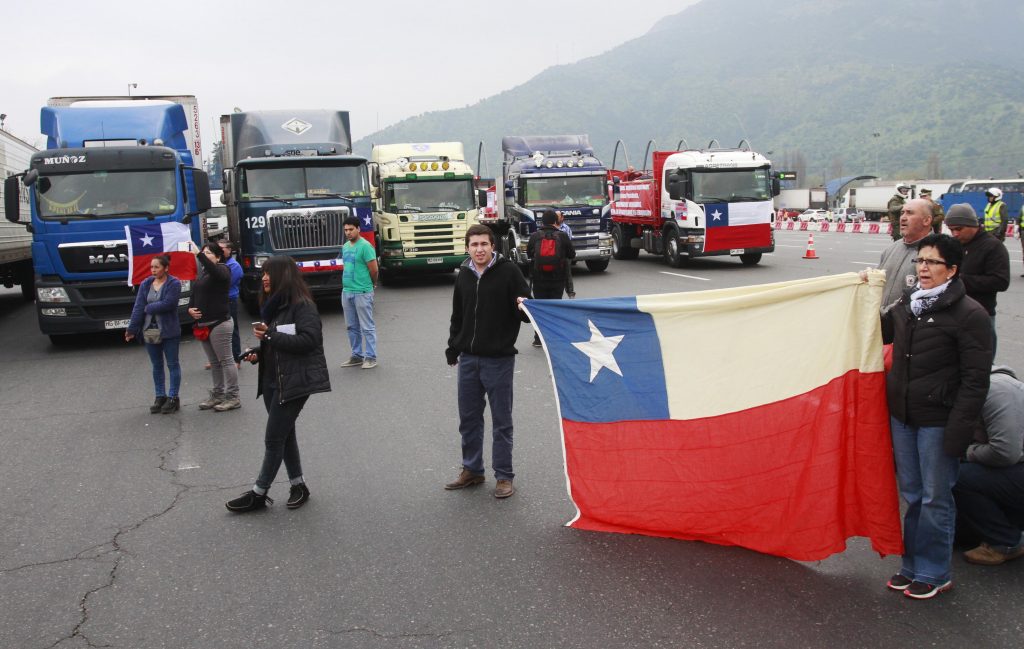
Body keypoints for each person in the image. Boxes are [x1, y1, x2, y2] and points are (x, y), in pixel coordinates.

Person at [879, 233, 992, 599]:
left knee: (935, 498)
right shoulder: (909, 304)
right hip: (904, 416)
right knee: (912, 494)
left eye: (932, 262)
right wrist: (863, 291)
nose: (923, 268)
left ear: (952, 270)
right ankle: (911, 565)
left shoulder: (970, 315)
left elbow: (975, 381)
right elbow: (879, 331)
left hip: (939, 422)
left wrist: (959, 430)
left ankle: (935, 571)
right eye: (920, 260)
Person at [226, 256, 331, 513]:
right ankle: (299, 485)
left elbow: (309, 341)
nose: (263, 278)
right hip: (272, 380)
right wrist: (259, 352)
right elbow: (279, 343)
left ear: (283, 276)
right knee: (285, 434)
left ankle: (259, 493)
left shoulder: (302, 306)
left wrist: (270, 336)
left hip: (293, 381)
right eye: (263, 273)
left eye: (268, 273)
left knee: (274, 438)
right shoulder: (274, 305)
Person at [444, 224, 531, 499]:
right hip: (469, 359)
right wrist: (453, 347)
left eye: (484, 244)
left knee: (501, 421)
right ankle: (472, 470)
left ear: (493, 246)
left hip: (499, 360)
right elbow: (458, 315)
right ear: (467, 248)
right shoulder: (464, 274)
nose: (479, 249)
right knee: (469, 419)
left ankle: (504, 476)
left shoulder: (509, 272)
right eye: (474, 245)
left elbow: (527, 313)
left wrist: (524, 306)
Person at [953, 365, 1024, 565]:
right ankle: (987, 530)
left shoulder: (996, 390)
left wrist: (966, 453)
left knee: (959, 476)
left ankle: (1006, 542)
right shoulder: (976, 387)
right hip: (1015, 469)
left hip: (1014, 466)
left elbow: (1005, 452)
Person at [944, 203, 1009, 353]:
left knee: (981, 360)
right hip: (953, 312)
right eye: (951, 230)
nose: (955, 234)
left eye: (959, 229)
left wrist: (959, 280)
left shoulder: (993, 246)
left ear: (972, 224)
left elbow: (1001, 281)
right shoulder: (954, 245)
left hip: (981, 314)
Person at [125, 255, 182, 414]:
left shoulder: (174, 283)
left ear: (166, 268)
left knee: (172, 364)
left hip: (169, 331)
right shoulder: (146, 284)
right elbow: (138, 307)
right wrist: (131, 329)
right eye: (151, 267)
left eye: (157, 267)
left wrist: (149, 308)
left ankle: (173, 397)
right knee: (157, 365)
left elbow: (169, 304)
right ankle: (160, 396)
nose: (153, 270)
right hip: (150, 330)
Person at [188, 239, 240, 411]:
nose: (204, 255)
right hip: (203, 323)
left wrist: (198, 254)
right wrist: (190, 309)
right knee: (214, 362)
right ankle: (218, 395)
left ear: (218, 257)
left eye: (209, 253)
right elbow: (195, 293)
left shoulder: (223, 269)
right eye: (204, 252)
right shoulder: (203, 273)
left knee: (226, 360)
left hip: (219, 323)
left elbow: (215, 272)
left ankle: (233, 397)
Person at [526, 209, 575, 347]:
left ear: (542, 221)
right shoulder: (562, 235)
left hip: (539, 278)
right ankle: (553, 337)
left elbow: (529, 253)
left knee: (540, 308)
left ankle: (538, 339)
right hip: (557, 278)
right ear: (555, 221)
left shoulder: (535, 236)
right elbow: (572, 254)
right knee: (554, 307)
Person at [878, 198, 934, 313]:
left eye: (910, 213)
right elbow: (877, 282)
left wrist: (885, 314)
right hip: (882, 320)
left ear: (926, 220)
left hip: (908, 321)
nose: (903, 218)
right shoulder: (891, 249)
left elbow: (922, 296)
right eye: (902, 213)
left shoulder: (936, 254)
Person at [339, 215, 379, 369]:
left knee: (367, 327)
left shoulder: (366, 246)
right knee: (351, 326)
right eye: (346, 230)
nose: (348, 232)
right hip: (347, 291)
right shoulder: (345, 246)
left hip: (362, 291)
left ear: (358, 229)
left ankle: (371, 357)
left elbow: (374, 269)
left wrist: (372, 284)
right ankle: (356, 356)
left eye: (351, 229)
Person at [219, 239, 244, 367]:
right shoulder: (218, 264)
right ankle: (219, 358)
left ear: (229, 250)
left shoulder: (234, 266)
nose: (219, 251)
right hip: (217, 301)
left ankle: (236, 358)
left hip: (229, 300)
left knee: (232, 329)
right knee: (217, 330)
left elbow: (225, 284)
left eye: (221, 248)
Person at [556, 210, 576, 299]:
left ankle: (571, 293)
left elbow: (568, 243)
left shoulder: (566, 228)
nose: (556, 218)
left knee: (567, 274)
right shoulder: (551, 228)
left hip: (564, 255)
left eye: (558, 216)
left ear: (562, 218)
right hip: (553, 255)